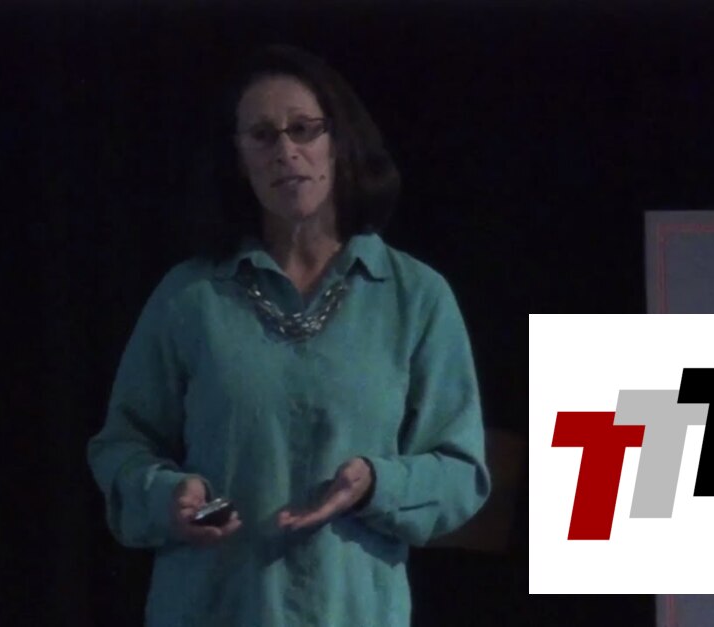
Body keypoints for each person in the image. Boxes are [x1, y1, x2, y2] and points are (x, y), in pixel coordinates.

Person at [87, 43, 490, 627]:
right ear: (239, 158)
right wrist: (166, 495)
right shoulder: (190, 298)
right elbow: (121, 446)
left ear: (338, 141)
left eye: (303, 129)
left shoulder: (415, 297)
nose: (285, 151)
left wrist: (376, 483)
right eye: (262, 136)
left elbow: (461, 472)